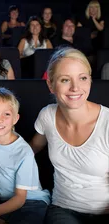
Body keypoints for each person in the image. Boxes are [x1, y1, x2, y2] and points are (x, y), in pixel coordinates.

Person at [30, 47, 109, 224]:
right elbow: (32, 149)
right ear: (50, 85)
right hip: (63, 209)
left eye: (82, 78)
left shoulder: (107, 122)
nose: (75, 88)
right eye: (65, 80)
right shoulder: (47, 115)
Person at [0, 87, 50, 224]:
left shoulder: (24, 153)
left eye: (6, 114)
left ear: (15, 118)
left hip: (32, 203)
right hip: (4, 200)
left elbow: (20, 198)